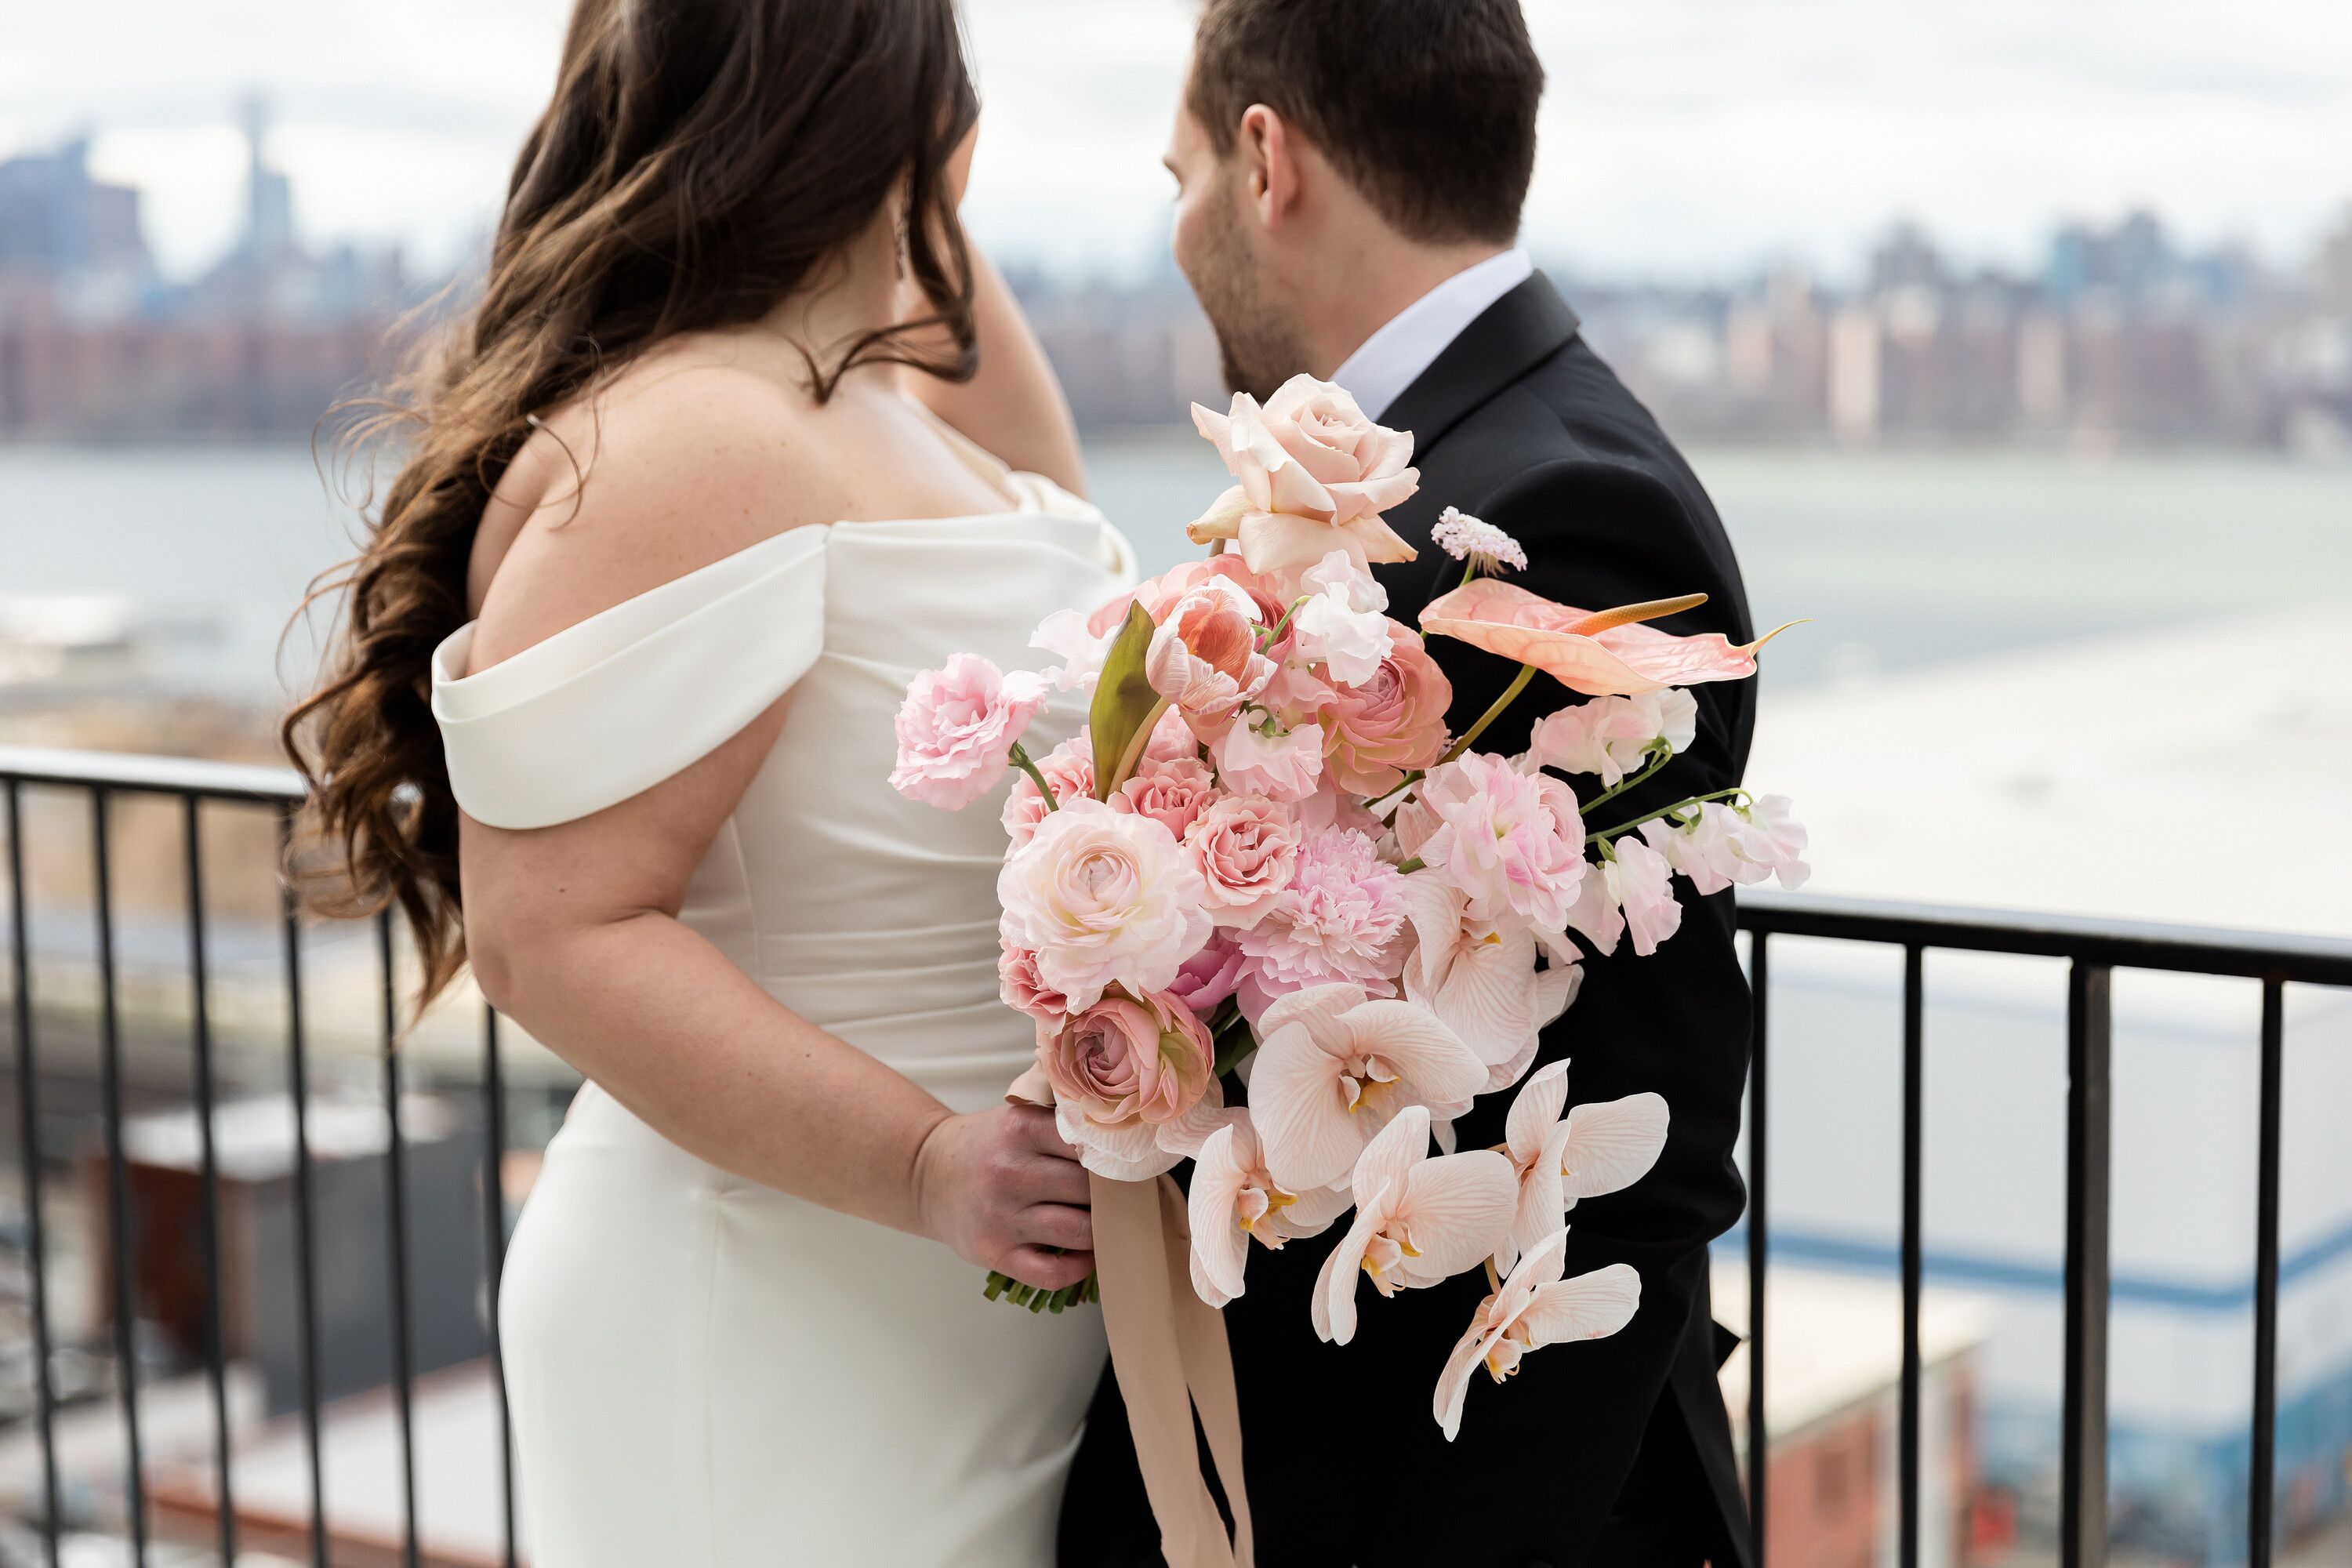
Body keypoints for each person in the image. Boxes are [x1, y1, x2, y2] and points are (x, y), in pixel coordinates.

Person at [281, 2, 1128, 1563]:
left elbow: (1060, 514)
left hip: (968, 1318)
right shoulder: (698, 432)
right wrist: (934, 1167)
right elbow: (547, 929)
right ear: (884, 101)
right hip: (779, 1299)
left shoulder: (884, 394)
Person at [1058, 2, 1757, 1565]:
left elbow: (1650, 1133)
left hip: (1432, 1499)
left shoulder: (1559, 511)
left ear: (1264, 159)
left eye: (1177, 175)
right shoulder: (1446, 461)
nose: (1176, 230)